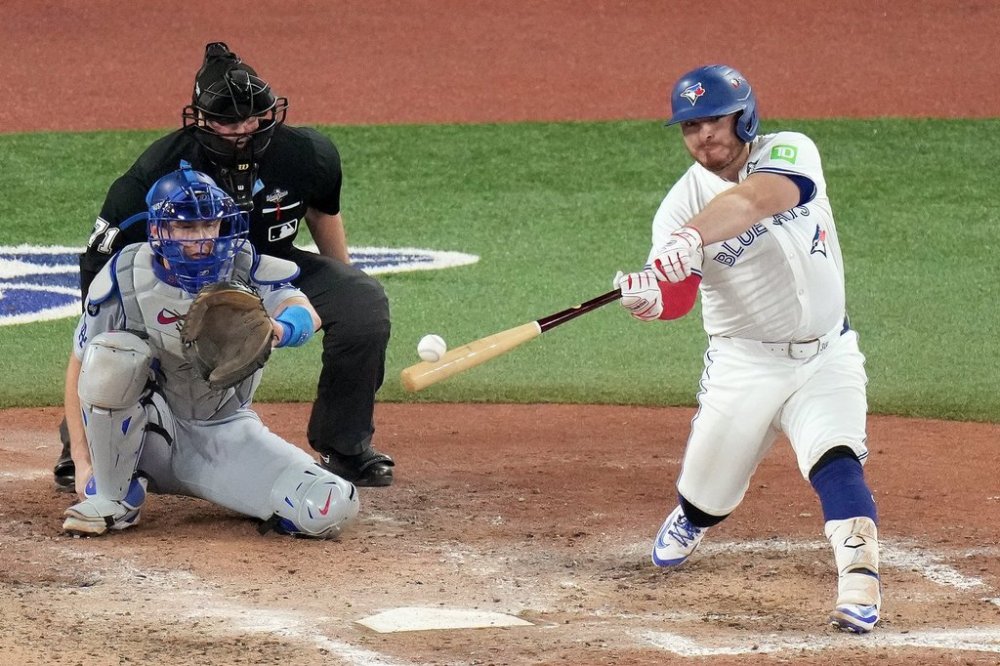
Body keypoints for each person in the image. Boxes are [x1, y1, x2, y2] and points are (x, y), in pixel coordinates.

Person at [54, 41, 393, 492]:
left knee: (362, 303)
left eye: (254, 118)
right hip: (182, 276)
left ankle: (345, 446)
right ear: (201, 119)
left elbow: (322, 215)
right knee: (112, 345)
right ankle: (86, 445)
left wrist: (346, 284)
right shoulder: (156, 173)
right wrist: (100, 333)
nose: (244, 130)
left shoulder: (307, 153)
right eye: (230, 121)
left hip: (267, 266)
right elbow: (104, 257)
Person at [613, 64, 881, 633]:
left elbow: (757, 201)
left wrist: (693, 236)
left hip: (827, 353)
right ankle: (692, 518)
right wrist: (650, 301)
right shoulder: (675, 211)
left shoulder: (791, 150)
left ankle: (860, 582)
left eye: (713, 120)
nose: (702, 135)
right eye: (689, 127)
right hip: (745, 364)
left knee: (836, 458)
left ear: (745, 115)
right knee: (708, 497)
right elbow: (679, 299)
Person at [63, 166, 359, 538]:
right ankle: (114, 495)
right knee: (114, 355)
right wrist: (83, 462)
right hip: (146, 434)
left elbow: (304, 310)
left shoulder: (242, 264)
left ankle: (240, 488)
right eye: (187, 227)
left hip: (224, 432)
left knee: (328, 505)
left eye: (210, 226)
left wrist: (281, 329)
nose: (201, 239)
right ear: (158, 231)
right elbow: (81, 364)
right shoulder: (124, 275)